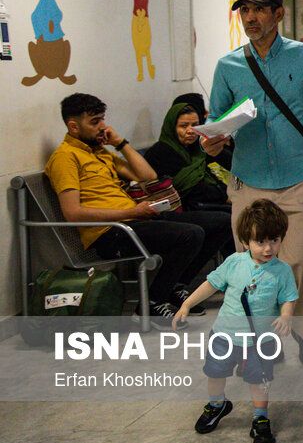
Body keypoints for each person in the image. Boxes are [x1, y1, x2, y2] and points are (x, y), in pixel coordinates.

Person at [204, 0, 303, 367]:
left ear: (278, 14)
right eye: (244, 11)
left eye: (259, 10)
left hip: (298, 177)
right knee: (252, 270)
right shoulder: (228, 65)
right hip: (248, 181)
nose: (250, 18)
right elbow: (214, 117)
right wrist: (212, 137)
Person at [45, 93, 232, 330]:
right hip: (111, 232)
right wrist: (131, 212)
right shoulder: (65, 158)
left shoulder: (100, 153)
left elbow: (147, 176)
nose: (102, 126)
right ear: (73, 126)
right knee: (190, 234)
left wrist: (120, 143)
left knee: (223, 222)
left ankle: (175, 287)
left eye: (102, 119)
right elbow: (73, 213)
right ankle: (150, 303)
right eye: (94, 122)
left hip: (135, 219)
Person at [173, 199, 298, 443]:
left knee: (258, 379)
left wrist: (286, 316)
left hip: (259, 339)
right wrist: (186, 304)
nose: (268, 248)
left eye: (274, 240)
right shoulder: (234, 263)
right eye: (259, 242)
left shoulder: (282, 271)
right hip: (224, 335)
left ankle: (260, 418)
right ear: (244, 241)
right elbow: (211, 284)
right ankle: (217, 404)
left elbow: (288, 298)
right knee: (215, 372)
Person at [144, 103, 231, 213]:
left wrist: (217, 148)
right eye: (184, 126)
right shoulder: (160, 152)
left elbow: (230, 162)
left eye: (195, 125)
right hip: (182, 208)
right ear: (172, 127)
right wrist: (225, 196)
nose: (191, 131)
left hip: (207, 202)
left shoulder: (196, 148)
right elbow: (190, 188)